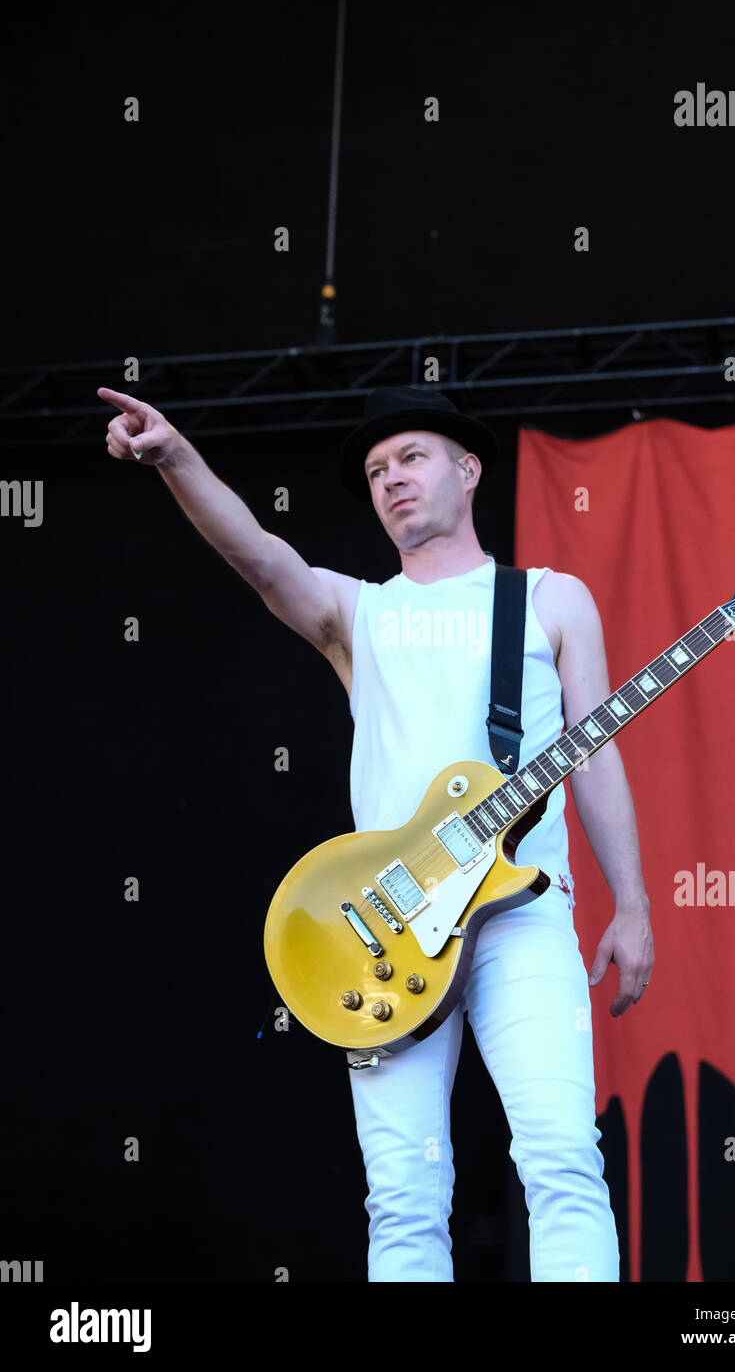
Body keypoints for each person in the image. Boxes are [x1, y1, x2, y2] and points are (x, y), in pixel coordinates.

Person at [98, 381, 654, 1282]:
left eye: (411, 458)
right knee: (402, 1193)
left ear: (468, 471)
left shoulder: (551, 600)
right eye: (375, 470)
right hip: (385, 934)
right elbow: (260, 555)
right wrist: (176, 457)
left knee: (560, 1156)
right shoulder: (362, 614)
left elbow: (595, 755)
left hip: (524, 913)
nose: (390, 480)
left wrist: (631, 903)